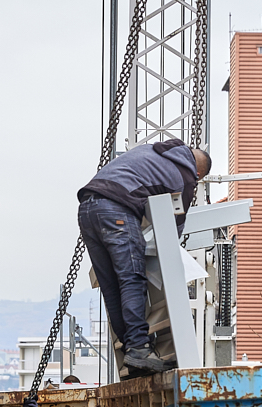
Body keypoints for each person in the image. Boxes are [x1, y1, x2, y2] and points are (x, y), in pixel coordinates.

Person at [77, 138, 212, 374]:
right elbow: (174, 225)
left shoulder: (154, 152)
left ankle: (132, 349)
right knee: (131, 278)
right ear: (199, 173)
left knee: (111, 285)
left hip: (87, 209)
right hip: (116, 210)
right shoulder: (186, 174)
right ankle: (139, 348)